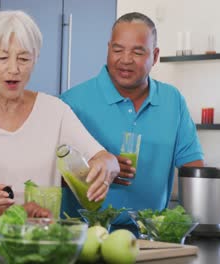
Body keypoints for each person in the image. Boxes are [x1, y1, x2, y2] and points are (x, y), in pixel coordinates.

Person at [0, 10, 120, 217]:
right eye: (2, 57)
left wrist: (105, 165)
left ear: (36, 58)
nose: (14, 69)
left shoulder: (56, 112)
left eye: (23, 58)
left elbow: (104, 158)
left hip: (42, 242)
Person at [60, 12, 204, 226]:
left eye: (137, 52)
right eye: (117, 50)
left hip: (152, 237)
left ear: (155, 56)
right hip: (84, 238)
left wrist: (197, 227)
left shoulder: (173, 101)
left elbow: (194, 169)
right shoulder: (71, 102)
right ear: (108, 49)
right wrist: (95, 171)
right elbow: (47, 175)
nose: (125, 60)